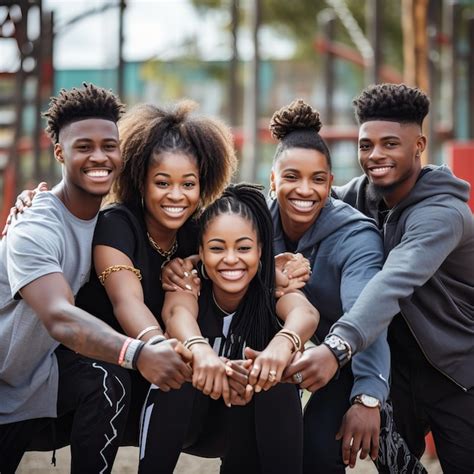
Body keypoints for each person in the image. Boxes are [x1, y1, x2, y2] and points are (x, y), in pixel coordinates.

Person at [0, 84, 192, 473]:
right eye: (83, 146)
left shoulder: (113, 221)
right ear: (59, 153)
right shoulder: (35, 225)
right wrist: (139, 352)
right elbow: (58, 315)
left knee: (107, 381)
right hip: (4, 381)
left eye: (109, 145)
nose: (99, 156)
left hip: (44, 379)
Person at [287, 83, 474, 473]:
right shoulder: (359, 197)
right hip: (395, 370)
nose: (375, 156)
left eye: (390, 144)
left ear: (419, 144)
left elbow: (391, 282)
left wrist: (337, 348)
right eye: (365, 145)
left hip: (458, 374)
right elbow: (301, 198)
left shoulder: (442, 215)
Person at [73, 99, 238, 443]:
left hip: (172, 381)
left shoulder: (198, 233)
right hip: (110, 375)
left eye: (188, 184)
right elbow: (126, 301)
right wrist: (157, 346)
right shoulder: (117, 223)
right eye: (162, 183)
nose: (176, 196)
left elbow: (238, 257)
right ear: (141, 180)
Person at [139, 183, 320, 474]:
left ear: (261, 250)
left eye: (244, 248)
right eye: (217, 248)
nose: (231, 259)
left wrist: (280, 345)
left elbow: (305, 312)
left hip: (246, 425)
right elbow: (177, 313)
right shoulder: (190, 281)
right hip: (190, 419)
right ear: (200, 251)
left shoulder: (271, 288)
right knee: (175, 366)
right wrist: (201, 353)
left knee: (274, 377)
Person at [266, 99, 397, 473]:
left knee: (321, 447)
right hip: (279, 351)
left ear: (330, 183)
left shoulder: (355, 236)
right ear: (273, 180)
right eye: (291, 177)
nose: (304, 190)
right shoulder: (254, 226)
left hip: (350, 355)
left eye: (317, 179)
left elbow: (367, 313)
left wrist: (368, 397)